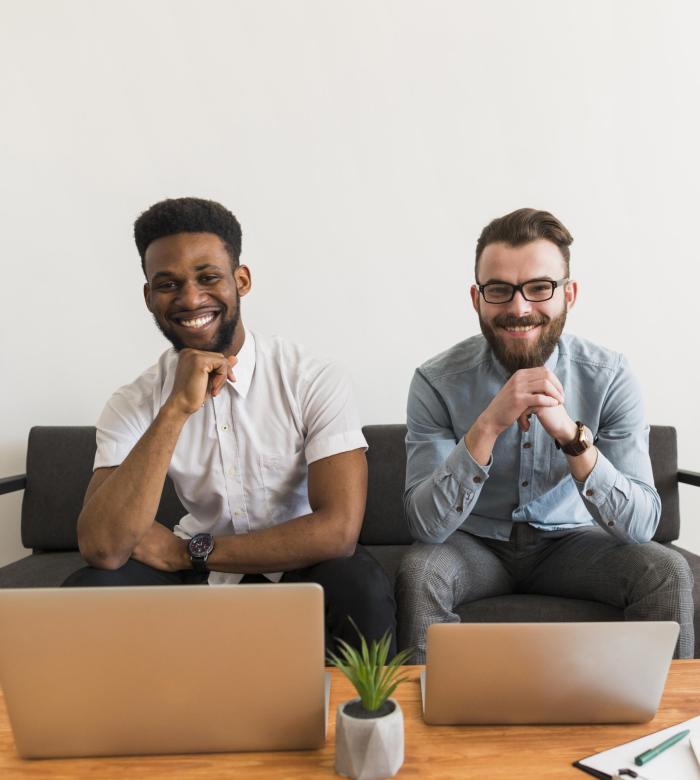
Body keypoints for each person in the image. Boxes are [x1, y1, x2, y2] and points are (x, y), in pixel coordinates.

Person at [64, 196, 396, 654]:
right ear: (148, 297)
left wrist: (188, 552)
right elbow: (103, 546)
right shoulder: (133, 401)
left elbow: (337, 530)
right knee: (90, 590)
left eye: (208, 277)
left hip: (297, 560)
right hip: (193, 579)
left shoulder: (312, 377)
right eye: (168, 284)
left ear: (241, 280)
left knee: (360, 586)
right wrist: (176, 408)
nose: (190, 299)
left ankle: (362, 705)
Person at [396, 207, 693, 661]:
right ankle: (425, 710)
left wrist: (572, 437)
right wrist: (488, 425)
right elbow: (426, 526)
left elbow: (641, 525)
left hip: (576, 544)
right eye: (499, 290)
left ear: (568, 294)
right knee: (420, 573)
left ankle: (670, 712)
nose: (519, 309)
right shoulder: (435, 381)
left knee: (666, 571)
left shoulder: (611, 376)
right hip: (474, 545)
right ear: (476, 299)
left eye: (539, 288)